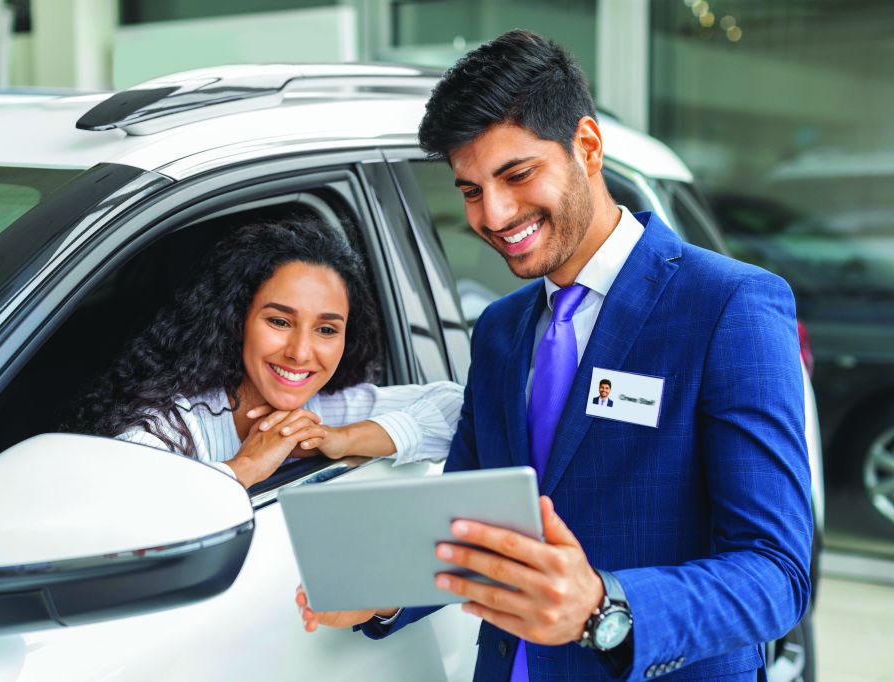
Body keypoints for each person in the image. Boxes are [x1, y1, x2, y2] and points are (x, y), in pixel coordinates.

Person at [297, 30, 811, 681]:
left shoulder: (727, 306)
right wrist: (389, 595)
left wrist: (602, 608)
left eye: (517, 175)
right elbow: (470, 529)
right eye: (470, 190)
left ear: (588, 147)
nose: (495, 213)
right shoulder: (500, 331)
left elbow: (777, 574)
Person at [74, 218, 462, 489]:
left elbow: (460, 408)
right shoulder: (166, 429)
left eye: (327, 330)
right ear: (237, 320)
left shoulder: (322, 411)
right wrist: (246, 467)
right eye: (279, 322)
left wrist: (344, 440)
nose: (300, 352)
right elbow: (129, 523)